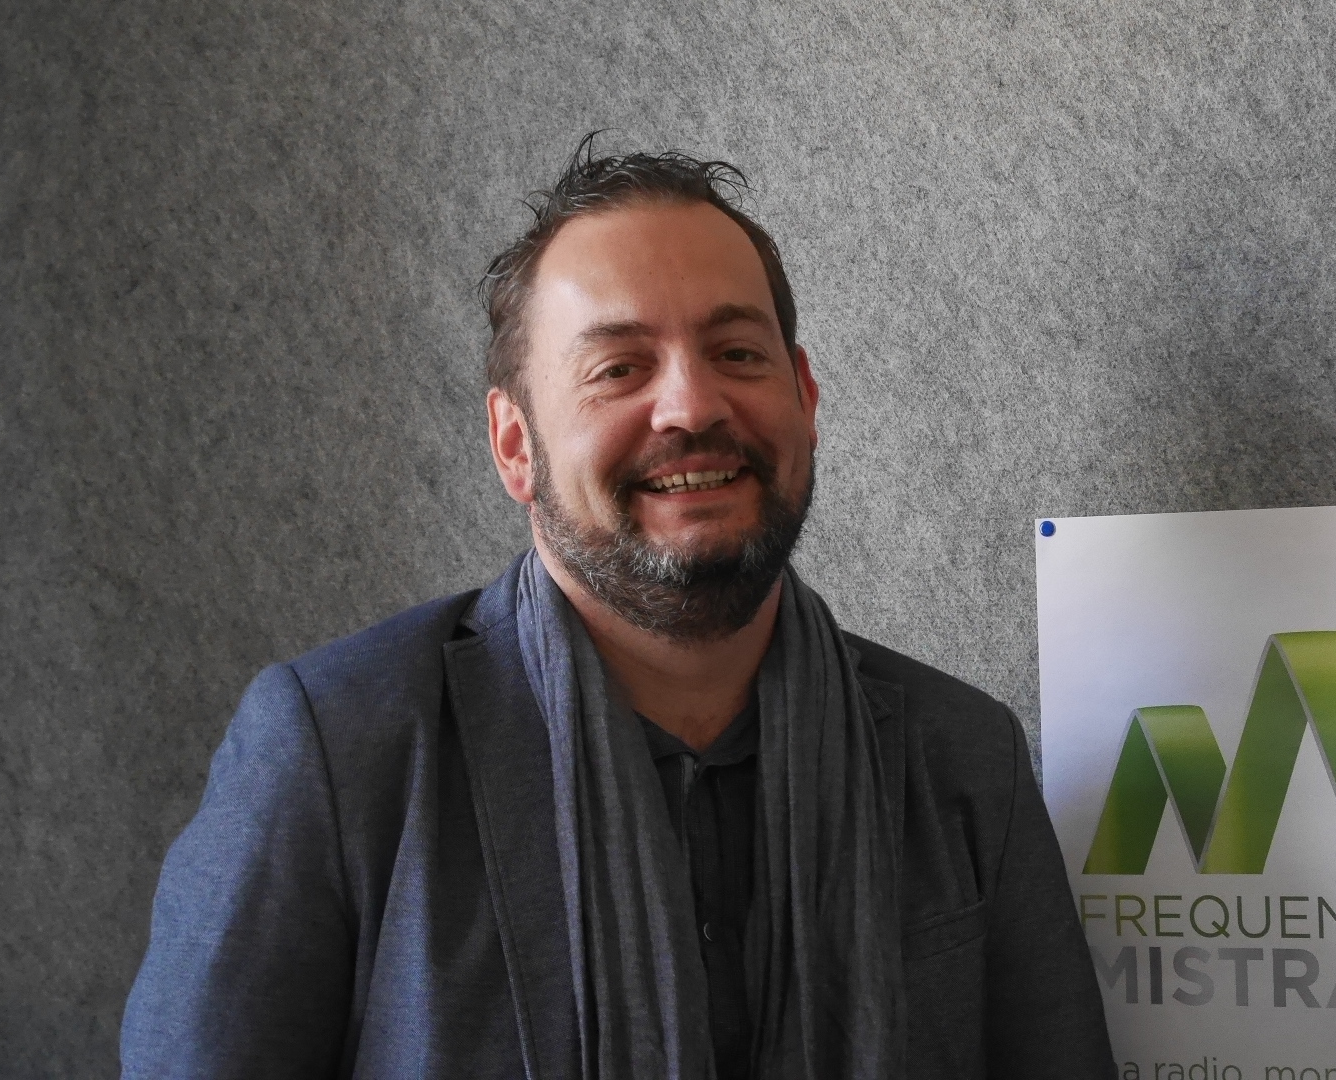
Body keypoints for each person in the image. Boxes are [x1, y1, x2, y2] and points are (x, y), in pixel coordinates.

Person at [120, 140, 1115, 1080]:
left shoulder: (961, 759)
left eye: (737, 352)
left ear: (806, 398)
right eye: (618, 369)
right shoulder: (340, 752)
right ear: (516, 445)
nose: (692, 406)